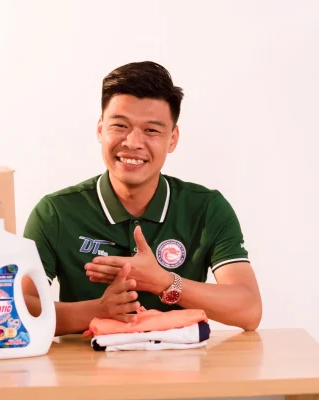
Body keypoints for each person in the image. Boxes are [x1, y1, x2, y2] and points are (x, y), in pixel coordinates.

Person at [22, 61, 262, 337]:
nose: (133, 142)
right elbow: (19, 308)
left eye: (151, 130)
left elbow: (249, 310)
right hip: (88, 362)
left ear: (173, 139)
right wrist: (98, 310)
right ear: (100, 129)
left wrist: (164, 282)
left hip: (182, 363)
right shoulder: (55, 212)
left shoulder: (206, 208)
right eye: (120, 125)